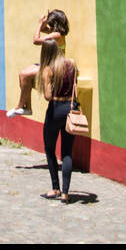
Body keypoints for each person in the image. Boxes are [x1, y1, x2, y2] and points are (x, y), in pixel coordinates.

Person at [37, 38, 78, 202]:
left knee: (50, 149)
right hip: (70, 109)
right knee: (67, 152)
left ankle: (55, 188)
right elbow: (75, 86)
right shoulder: (72, 64)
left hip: (55, 109)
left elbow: (47, 96)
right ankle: (66, 193)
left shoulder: (48, 69)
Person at [8, 10, 69, 118]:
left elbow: (36, 40)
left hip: (54, 68)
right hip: (50, 65)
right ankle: (27, 108)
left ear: (55, 22)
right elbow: (43, 30)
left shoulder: (57, 35)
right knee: (23, 75)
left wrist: (40, 23)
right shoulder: (56, 33)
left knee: (24, 75)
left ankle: (20, 106)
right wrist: (43, 23)